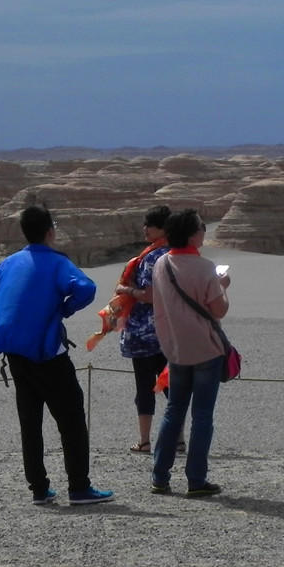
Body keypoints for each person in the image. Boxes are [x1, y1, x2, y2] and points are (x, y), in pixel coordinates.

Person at [0, 205, 114, 505]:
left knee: (30, 421)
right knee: (71, 418)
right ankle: (79, 487)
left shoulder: (9, 262)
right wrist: (62, 309)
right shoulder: (56, 262)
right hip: (46, 352)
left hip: (14, 350)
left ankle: (39, 489)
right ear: (50, 231)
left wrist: (13, 311)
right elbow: (86, 288)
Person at [148, 209, 231, 496]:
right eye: (201, 228)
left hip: (176, 349)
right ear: (193, 234)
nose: (204, 232)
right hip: (206, 349)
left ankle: (160, 476)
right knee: (202, 416)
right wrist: (223, 287)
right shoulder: (205, 267)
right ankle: (196, 479)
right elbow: (219, 309)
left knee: (174, 411)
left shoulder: (161, 264)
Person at [114, 205, 176, 454]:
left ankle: (144, 440)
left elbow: (149, 295)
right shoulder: (177, 254)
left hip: (144, 333)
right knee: (170, 386)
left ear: (162, 228)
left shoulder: (151, 258)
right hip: (170, 331)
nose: (145, 229)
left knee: (145, 388)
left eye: (149, 225)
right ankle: (178, 439)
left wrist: (125, 290)